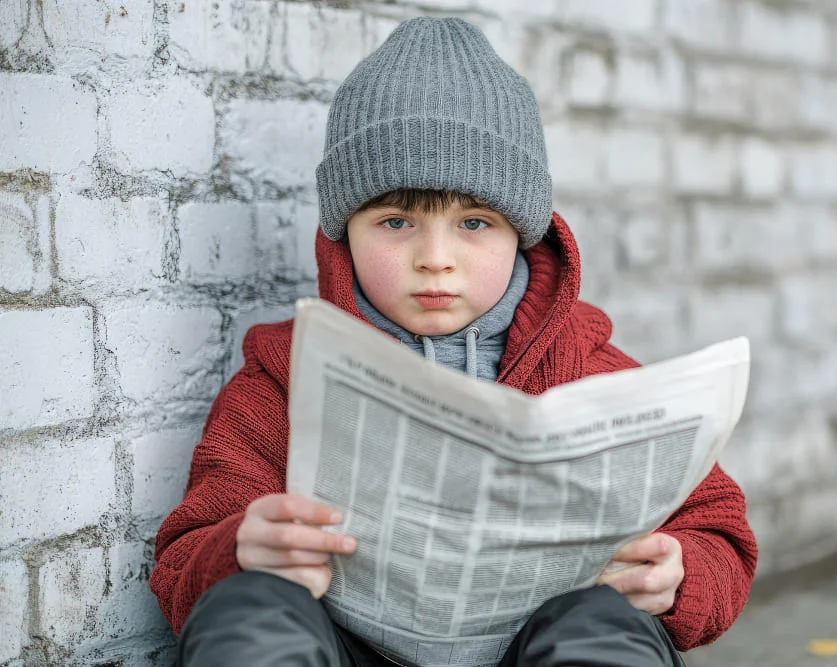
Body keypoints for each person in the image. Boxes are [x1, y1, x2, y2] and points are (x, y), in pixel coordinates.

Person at [151, 16, 757, 667]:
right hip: (349, 650)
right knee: (251, 611)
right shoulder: (282, 376)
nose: (435, 257)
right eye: (395, 220)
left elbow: (720, 533)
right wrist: (241, 548)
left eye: (474, 221)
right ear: (344, 231)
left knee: (601, 622)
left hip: (532, 654)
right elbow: (183, 557)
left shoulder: (588, 369)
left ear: (522, 232)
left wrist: (678, 573)